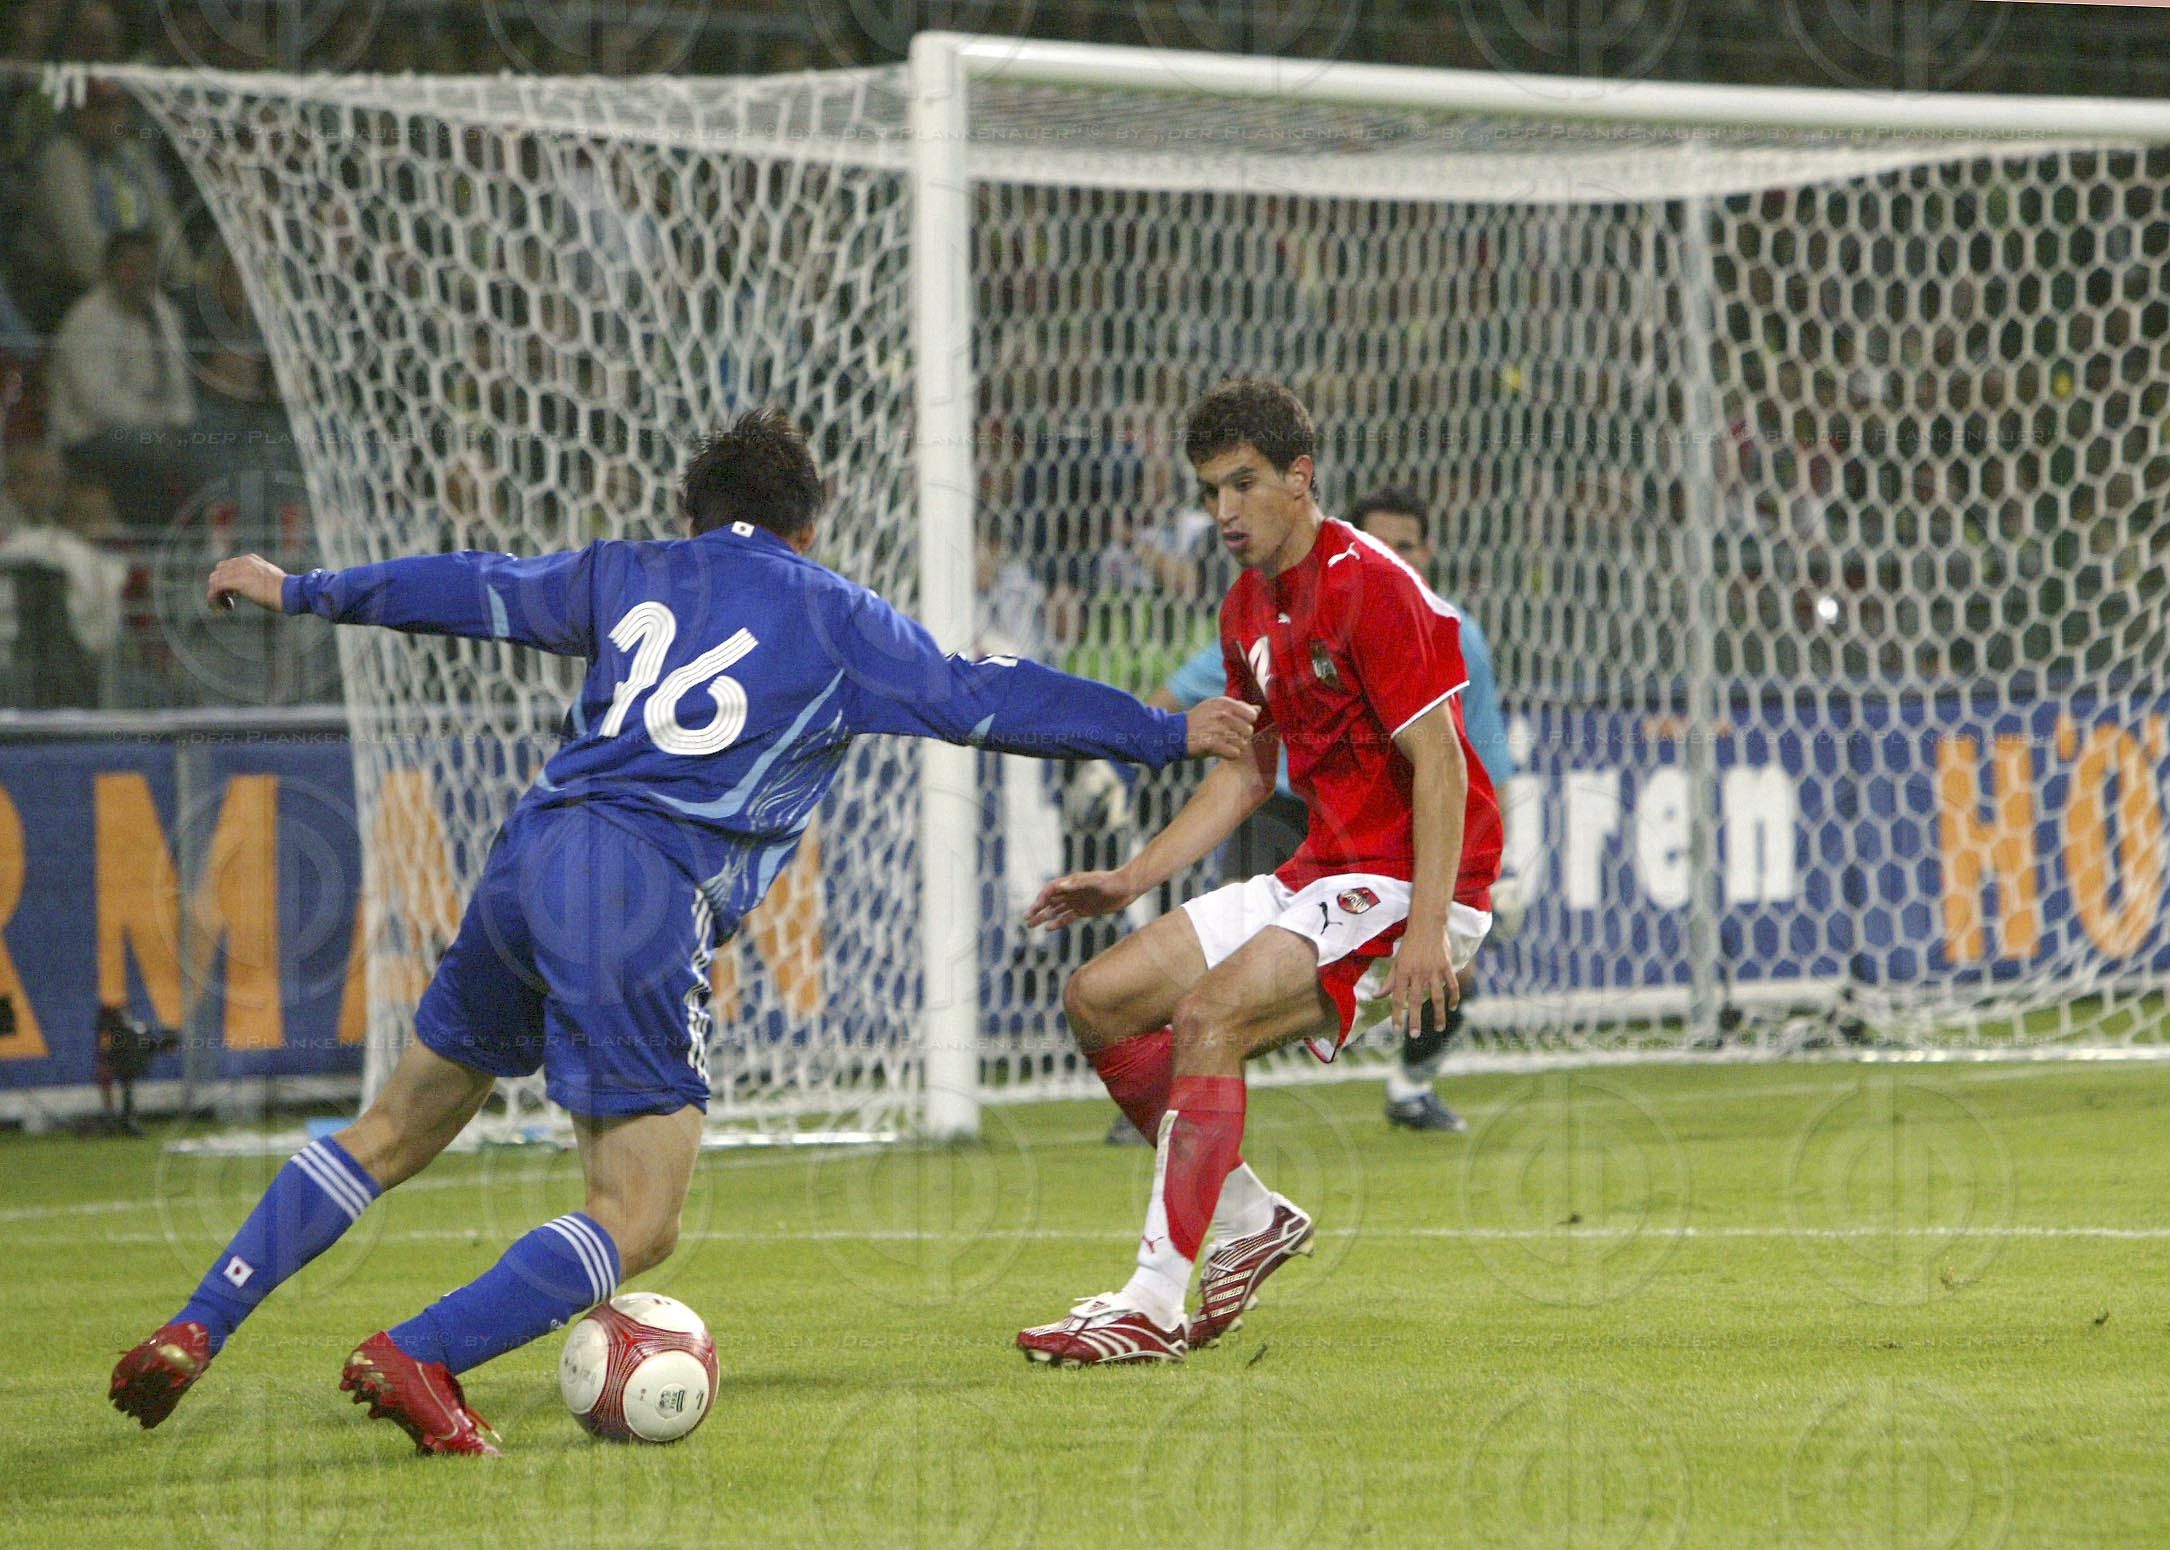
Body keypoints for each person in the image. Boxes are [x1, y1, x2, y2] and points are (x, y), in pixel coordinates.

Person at [110, 408, 1259, 1451]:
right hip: (641, 886)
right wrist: (1162, 731)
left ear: (691, 515)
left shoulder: (625, 570)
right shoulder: (834, 613)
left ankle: (198, 1320)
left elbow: (476, 587)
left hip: (531, 854)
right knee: (639, 1215)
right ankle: (419, 1352)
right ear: (809, 526)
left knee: (393, 1126)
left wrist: (303, 588)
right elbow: (982, 695)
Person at [1015, 378, 1502, 1366]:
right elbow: (1247, 769)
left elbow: (1443, 763)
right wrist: (1129, 878)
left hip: (1414, 882)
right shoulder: (1246, 605)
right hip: (1323, 872)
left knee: (1209, 1018)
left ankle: (1153, 1302)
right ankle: (1248, 1217)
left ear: (1299, 475)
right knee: (1100, 999)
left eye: (1242, 483)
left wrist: (1425, 930)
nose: (1224, 510)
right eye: (1209, 491)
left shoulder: (1373, 584)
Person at [1132, 485, 1514, 1137]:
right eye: (1382, 542)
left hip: (1391, 828)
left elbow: (1476, 760)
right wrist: (1130, 741)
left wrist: (1499, 870)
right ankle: (1168, 1092)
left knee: (1450, 969)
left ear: (1430, 552)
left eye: (1408, 545)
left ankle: (1412, 1089)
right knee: (1225, 964)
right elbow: (1181, 692)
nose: (1395, 556)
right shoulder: (1288, 612)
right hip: (1286, 808)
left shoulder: (1457, 634)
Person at [46, 228, 194, 525]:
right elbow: (97, 402)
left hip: (155, 428)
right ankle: (147, 540)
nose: (141, 275)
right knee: (151, 453)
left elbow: (180, 382)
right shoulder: (87, 319)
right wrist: (157, 423)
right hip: (88, 435)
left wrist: (181, 421)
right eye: (130, 266)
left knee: (207, 446)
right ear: (110, 270)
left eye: (148, 266)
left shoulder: (164, 313)